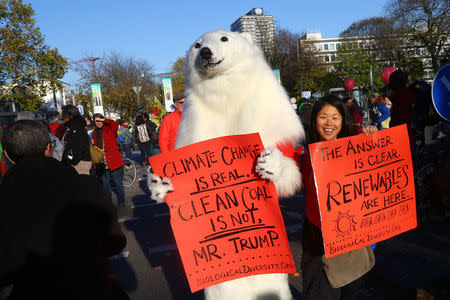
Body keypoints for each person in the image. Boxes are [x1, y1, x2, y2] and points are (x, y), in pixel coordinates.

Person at [0, 120, 129, 300]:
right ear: (48, 148)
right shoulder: (86, 187)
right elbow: (114, 241)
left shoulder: (6, 197)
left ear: (7, 155)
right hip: (92, 286)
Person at [301, 95, 378, 300]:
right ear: (314, 120)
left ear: (342, 121)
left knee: (349, 292)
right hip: (317, 241)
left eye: (335, 117)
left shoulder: (355, 149)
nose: (329, 123)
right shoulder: (305, 152)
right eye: (323, 117)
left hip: (350, 240)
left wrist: (372, 136)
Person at [92, 114, 126, 207]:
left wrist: (104, 120)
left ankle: (121, 200)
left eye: (99, 121)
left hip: (113, 159)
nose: (98, 123)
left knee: (117, 182)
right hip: (102, 162)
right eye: (96, 121)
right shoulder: (94, 132)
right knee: (105, 184)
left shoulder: (109, 128)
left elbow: (114, 123)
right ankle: (109, 202)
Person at [388, 70, 416, 152]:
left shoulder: (398, 96)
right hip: (407, 133)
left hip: (401, 135)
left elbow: (400, 118)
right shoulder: (407, 94)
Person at [60, 105, 92, 175]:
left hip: (81, 163)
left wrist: (73, 162)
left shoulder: (76, 127)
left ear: (69, 115)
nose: (62, 117)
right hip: (79, 161)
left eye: (63, 114)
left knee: (82, 184)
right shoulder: (73, 126)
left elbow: (79, 147)